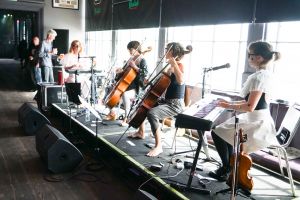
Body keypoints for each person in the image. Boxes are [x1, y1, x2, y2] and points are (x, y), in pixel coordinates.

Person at [208, 41, 281, 181]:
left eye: (250, 55)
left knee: (217, 132)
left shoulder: (258, 77)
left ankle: (226, 167)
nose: (248, 58)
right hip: (260, 117)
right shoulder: (266, 74)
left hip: (258, 123)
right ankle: (230, 165)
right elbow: (250, 102)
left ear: (259, 58)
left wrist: (227, 106)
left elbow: (250, 107)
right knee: (224, 131)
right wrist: (228, 103)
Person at [127, 42, 192, 157]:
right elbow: (163, 82)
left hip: (175, 104)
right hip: (167, 101)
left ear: (172, 52)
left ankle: (159, 146)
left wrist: (174, 64)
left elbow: (181, 80)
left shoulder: (179, 65)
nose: (165, 51)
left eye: (167, 49)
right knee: (145, 104)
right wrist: (150, 82)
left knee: (152, 113)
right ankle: (141, 132)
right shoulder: (170, 66)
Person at [105, 41, 149, 126]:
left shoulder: (142, 60)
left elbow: (145, 73)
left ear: (136, 49)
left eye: (131, 49)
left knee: (125, 94)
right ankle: (112, 113)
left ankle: (127, 118)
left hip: (135, 87)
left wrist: (135, 67)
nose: (129, 51)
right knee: (109, 88)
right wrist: (119, 72)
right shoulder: (130, 59)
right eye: (128, 49)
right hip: (126, 84)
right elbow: (124, 72)